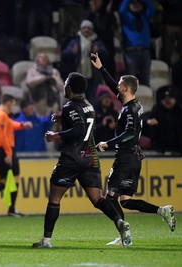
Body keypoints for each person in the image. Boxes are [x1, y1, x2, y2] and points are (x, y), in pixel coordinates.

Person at [32, 72, 131, 249]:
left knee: (54, 198)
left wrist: (56, 135)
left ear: (69, 87)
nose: (64, 86)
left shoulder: (70, 106)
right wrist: (62, 118)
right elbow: (85, 124)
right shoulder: (89, 105)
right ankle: (119, 222)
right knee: (97, 199)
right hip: (90, 158)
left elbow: (78, 130)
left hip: (72, 158)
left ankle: (46, 240)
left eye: (66, 83)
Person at [91, 53, 177, 246]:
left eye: (120, 83)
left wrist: (108, 143)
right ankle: (161, 211)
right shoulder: (132, 104)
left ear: (127, 88)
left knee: (110, 197)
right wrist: (101, 68)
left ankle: (124, 235)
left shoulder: (130, 109)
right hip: (132, 157)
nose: (117, 86)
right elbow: (113, 85)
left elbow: (130, 133)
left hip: (126, 158)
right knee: (125, 200)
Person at [0, 94, 33, 217]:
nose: (14, 106)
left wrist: (22, 125)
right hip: (3, 150)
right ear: (9, 103)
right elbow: (3, 137)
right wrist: (9, 154)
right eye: (14, 104)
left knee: (5, 181)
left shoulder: (0, 115)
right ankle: (10, 208)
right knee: (12, 179)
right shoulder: (1, 116)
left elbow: (10, 124)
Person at [145, 86, 182, 155]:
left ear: (175, 99)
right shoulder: (156, 110)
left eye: (170, 98)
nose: (168, 101)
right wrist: (148, 122)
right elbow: (145, 120)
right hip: (161, 151)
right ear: (161, 100)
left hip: (179, 150)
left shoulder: (181, 111)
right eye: (165, 99)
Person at [61, 20, 106, 105]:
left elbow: (106, 53)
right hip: (79, 76)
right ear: (81, 29)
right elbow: (64, 54)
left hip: (92, 77)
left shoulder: (96, 41)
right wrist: (71, 51)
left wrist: (99, 50)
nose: (86, 30)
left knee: (92, 101)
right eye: (84, 28)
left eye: (88, 28)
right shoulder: (75, 41)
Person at [118, 0, 155, 86]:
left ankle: (146, 97)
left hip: (145, 51)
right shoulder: (126, 17)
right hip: (130, 52)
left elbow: (151, 8)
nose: (136, 5)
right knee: (131, 80)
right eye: (133, 4)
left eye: (138, 4)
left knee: (145, 78)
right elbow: (122, 10)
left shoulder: (145, 16)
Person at [26, 52, 64, 117]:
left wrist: (54, 81)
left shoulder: (54, 71)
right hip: (37, 101)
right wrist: (44, 78)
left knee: (52, 124)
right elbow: (29, 82)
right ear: (37, 60)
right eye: (41, 57)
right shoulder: (32, 71)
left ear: (48, 60)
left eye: (45, 57)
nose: (43, 59)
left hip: (52, 101)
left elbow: (62, 87)